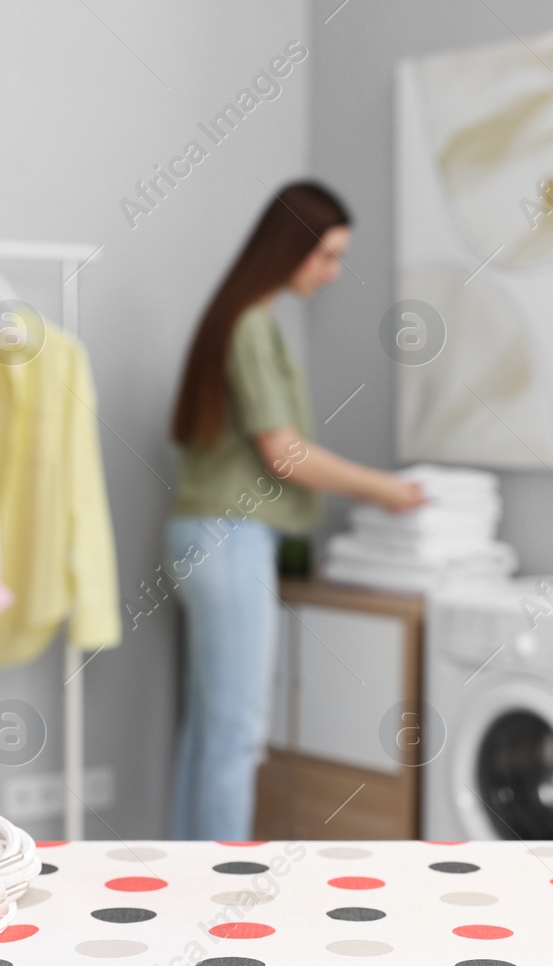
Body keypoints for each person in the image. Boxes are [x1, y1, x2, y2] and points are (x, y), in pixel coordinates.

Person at [165, 180, 426, 840]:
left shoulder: (236, 317)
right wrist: (383, 488)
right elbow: (283, 453)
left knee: (208, 731)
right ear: (291, 247)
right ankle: (217, 889)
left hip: (200, 534)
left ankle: (177, 879)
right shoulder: (252, 325)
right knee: (238, 734)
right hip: (229, 539)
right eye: (327, 256)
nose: (333, 273)